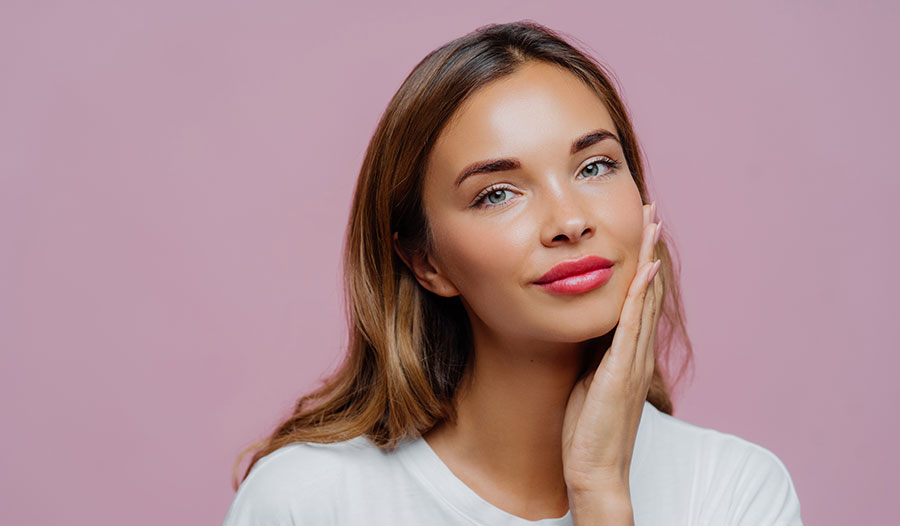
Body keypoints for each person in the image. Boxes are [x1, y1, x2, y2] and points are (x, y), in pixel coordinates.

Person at [222, 20, 803, 526]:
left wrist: (600, 493)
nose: (570, 221)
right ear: (426, 262)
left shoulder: (733, 491)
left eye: (596, 165)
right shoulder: (308, 502)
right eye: (497, 193)